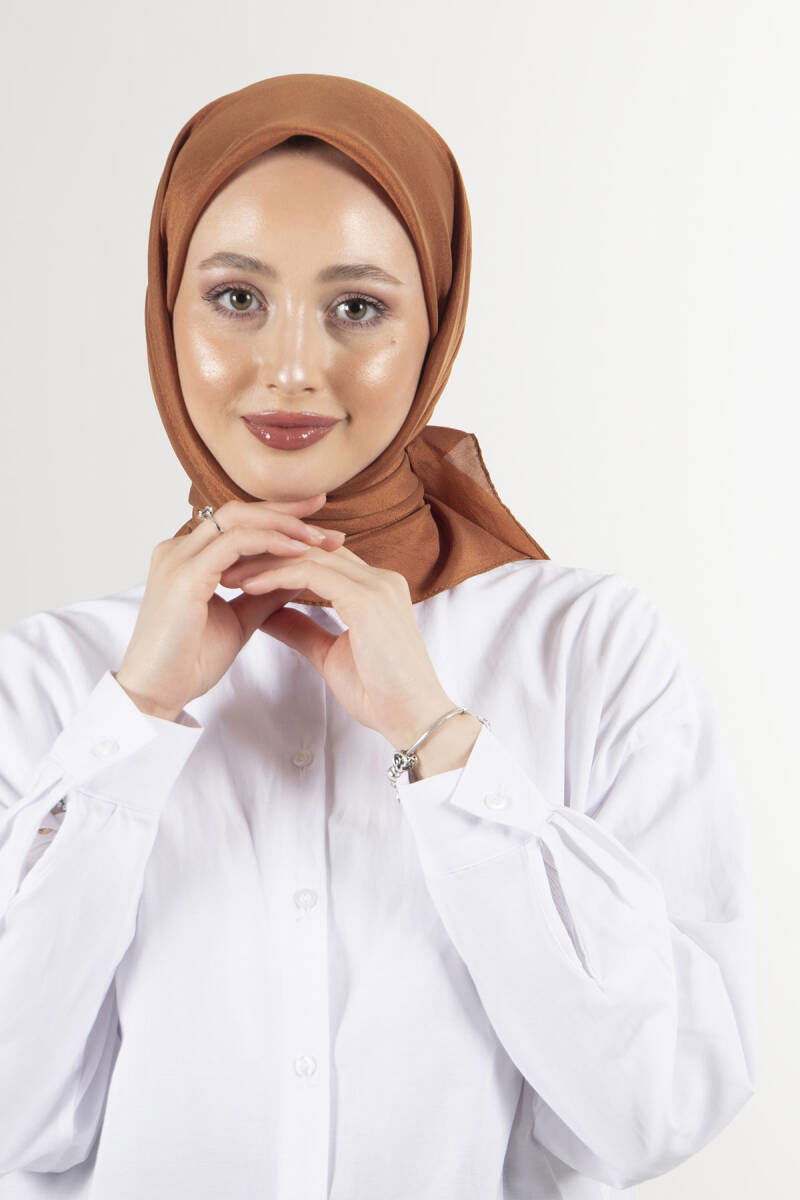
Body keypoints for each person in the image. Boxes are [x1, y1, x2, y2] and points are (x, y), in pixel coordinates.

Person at [0, 73, 757, 1199]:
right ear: (166, 313)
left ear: (434, 324)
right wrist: (133, 723)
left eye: (356, 308)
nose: (291, 367)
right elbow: (16, 1122)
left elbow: (656, 1108)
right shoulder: (51, 680)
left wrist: (441, 742)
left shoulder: (590, 651)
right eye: (236, 297)